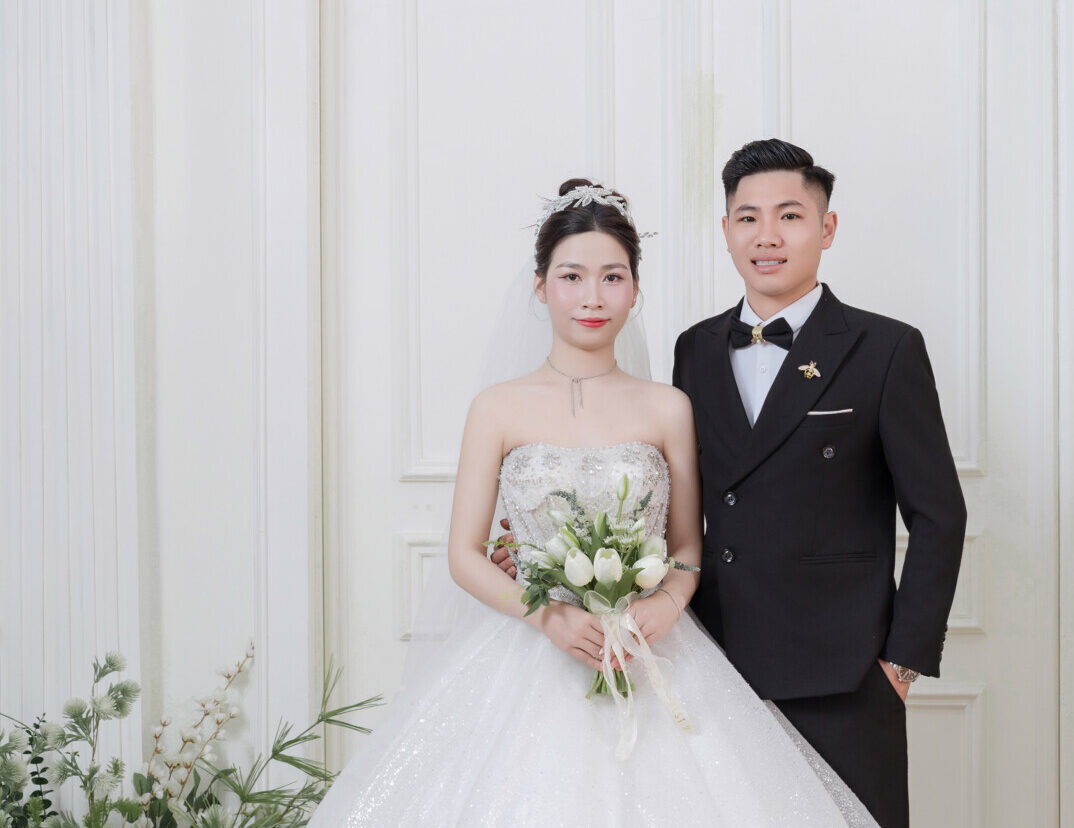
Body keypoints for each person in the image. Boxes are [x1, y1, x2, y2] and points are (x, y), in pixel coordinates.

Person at [309, 178, 877, 827]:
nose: (592, 297)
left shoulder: (667, 407)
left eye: (612, 278)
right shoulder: (496, 407)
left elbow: (687, 545)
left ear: (634, 289)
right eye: (571, 277)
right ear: (540, 285)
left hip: (650, 646)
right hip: (528, 648)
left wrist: (665, 603)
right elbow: (464, 555)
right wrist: (548, 618)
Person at [492, 142, 968, 828]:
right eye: (747, 218)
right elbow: (662, 499)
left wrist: (901, 665)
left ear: (827, 228)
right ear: (725, 231)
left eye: (789, 216)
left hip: (843, 673)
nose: (766, 236)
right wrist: (541, 546)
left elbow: (939, 516)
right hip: (713, 664)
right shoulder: (696, 349)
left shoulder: (885, 349)